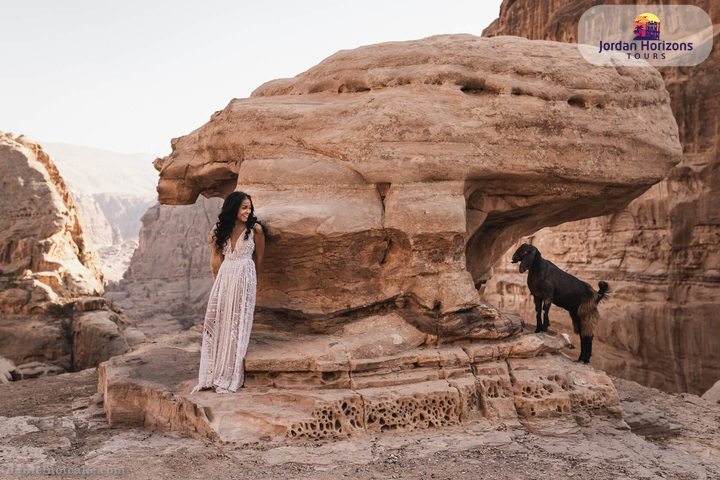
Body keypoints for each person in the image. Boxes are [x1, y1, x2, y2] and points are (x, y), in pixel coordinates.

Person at [190, 191, 266, 394]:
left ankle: (228, 374)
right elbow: (219, 258)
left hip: (245, 277)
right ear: (233, 208)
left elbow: (258, 259)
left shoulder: (255, 230)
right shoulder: (221, 229)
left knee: (235, 324)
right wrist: (221, 280)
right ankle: (211, 373)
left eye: (249, 207)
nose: (248, 211)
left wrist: (252, 284)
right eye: (244, 207)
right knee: (216, 319)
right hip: (225, 276)